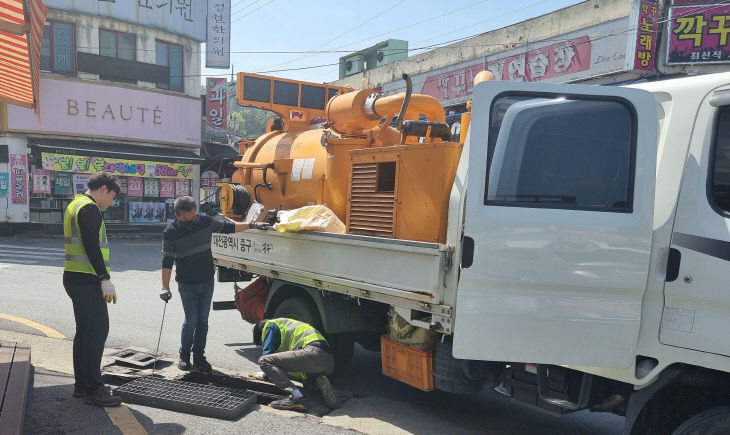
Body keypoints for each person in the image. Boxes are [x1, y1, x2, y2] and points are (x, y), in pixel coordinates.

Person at [161, 196, 269, 373]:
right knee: (191, 321)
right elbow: (167, 261)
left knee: (203, 321)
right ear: (177, 215)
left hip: (206, 281)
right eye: (187, 218)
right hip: (187, 284)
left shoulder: (204, 221)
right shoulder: (170, 232)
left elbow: (228, 227)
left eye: (193, 216)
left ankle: (199, 357)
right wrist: (165, 287)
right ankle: (184, 356)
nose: (191, 220)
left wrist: (253, 225)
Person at [63, 172, 121, 407]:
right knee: (96, 333)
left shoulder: (75, 204)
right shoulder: (90, 208)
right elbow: (91, 245)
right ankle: (94, 389)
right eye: (112, 196)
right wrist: (104, 278)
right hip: (86, 279)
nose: (111, 202)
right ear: (104, 189)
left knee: (85, 333)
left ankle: (83, 386)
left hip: (75, 277)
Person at [253, 318, 338, 412]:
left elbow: (267, 355)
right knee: (289, 373)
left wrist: (265, 375)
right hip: (327, 361)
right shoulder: (287, 325)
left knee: (264, 361)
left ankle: (297, 396)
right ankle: (316, 383)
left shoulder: (269, 326)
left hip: (312, 354)